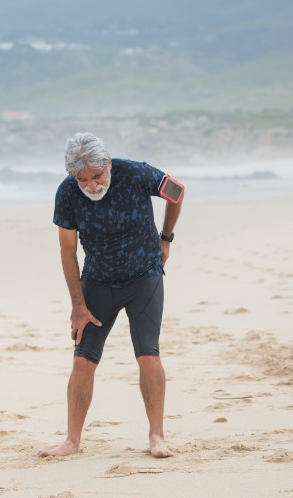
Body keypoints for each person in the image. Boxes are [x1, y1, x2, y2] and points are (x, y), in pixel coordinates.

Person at [38, 132, 183, 458]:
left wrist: (166, 238)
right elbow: (67, 251)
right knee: (81, 363)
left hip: (143, 278)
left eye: (98, 176)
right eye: (83, 179)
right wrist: (77, 305)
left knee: (148, 356)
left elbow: (177, 191)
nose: (91, 185)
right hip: (98, 284)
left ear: (109, 165)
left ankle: (157, 437)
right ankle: (72, 441)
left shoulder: (136, 173)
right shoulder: (66, 194)